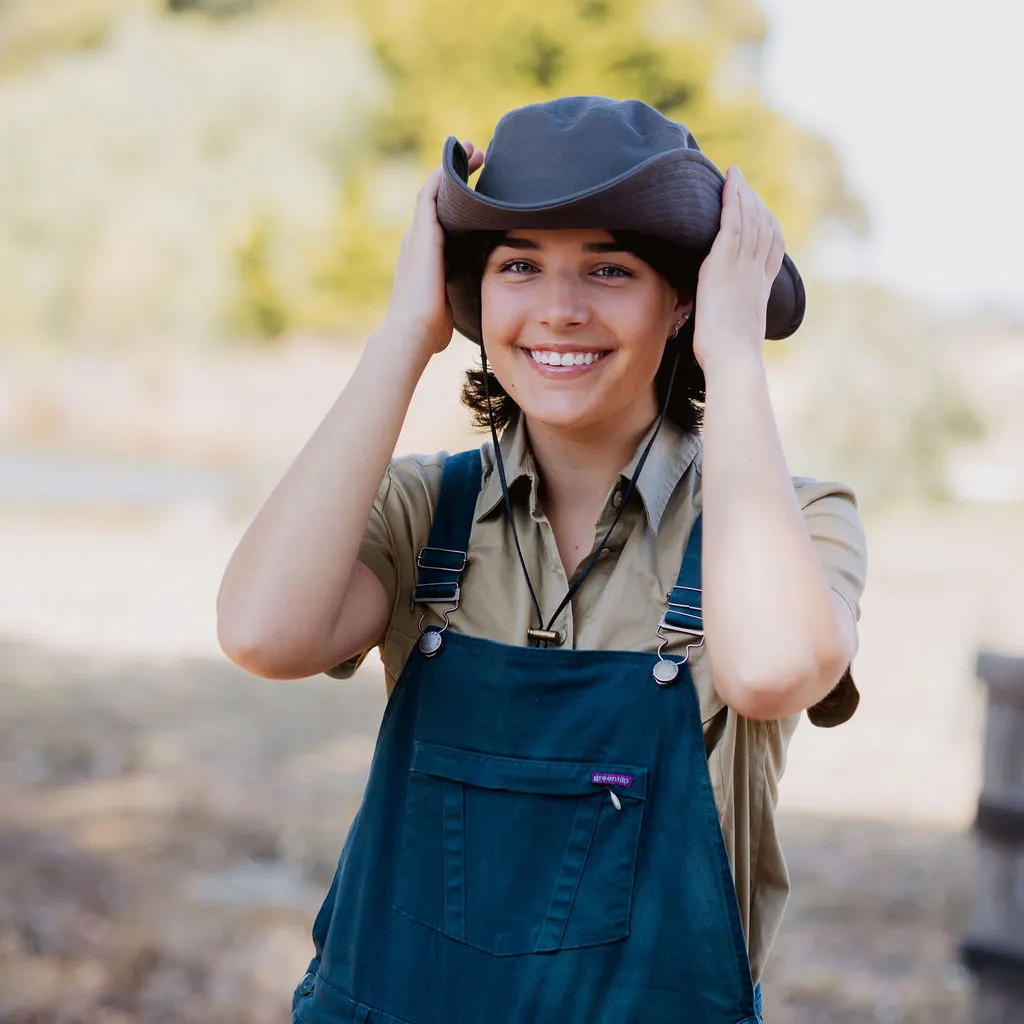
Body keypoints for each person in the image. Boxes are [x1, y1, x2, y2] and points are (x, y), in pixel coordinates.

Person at [217, 96, 867, 1024]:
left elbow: (769, 671)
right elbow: (260, 633)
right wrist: (406, 332)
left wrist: (735, 351)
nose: (559, 311)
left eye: (609, 269)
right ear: (473, 294)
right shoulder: (420, 511)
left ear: (681, 298)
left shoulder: (797, 522)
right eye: (518, 266)